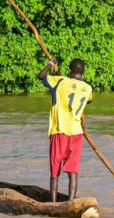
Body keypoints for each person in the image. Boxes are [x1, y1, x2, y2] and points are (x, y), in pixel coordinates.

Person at [37, 57, 93, 203]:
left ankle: (54, 204)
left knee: (55, 172)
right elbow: (89, 100)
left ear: (70, 71)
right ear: (83, 72)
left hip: (60, 131)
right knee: (73, 172)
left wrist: (50, 63)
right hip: (76, 133)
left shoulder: (61, 81)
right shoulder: (88, 88)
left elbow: (41, 76)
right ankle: (71, 202)